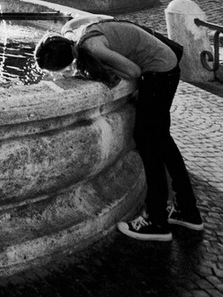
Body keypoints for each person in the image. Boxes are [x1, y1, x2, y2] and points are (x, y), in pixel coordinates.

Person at [34, 19, 203, 242]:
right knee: (163, 142)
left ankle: (157, 221)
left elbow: (133, 71)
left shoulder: (91, 48)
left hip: (159, 73)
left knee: (149, 144)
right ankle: (187, 210)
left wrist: (102, 70)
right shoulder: (80, 38)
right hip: (165, 67)